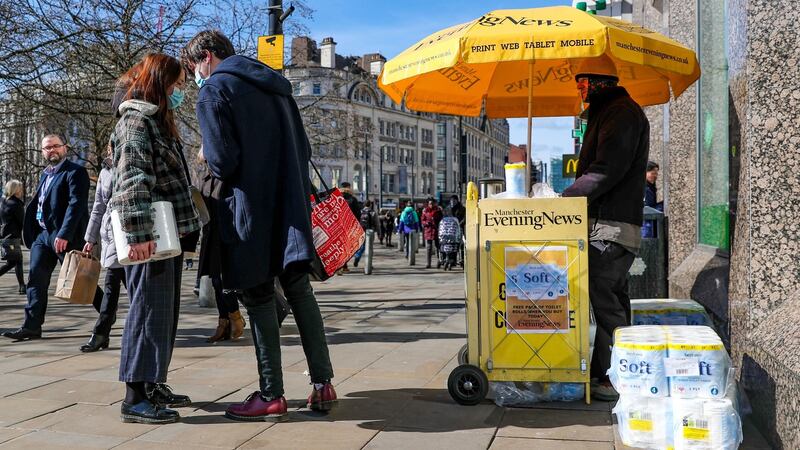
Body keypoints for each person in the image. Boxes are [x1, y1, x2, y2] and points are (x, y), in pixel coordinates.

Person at [182, 29, 335, 422]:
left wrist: (205, 152)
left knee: (259, 297)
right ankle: (323, 385)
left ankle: (272, 392)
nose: (195, 75)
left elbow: (223, 162)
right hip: (289, 207)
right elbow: (304, 148)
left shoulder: (215, 90)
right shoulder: (277, 87)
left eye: (193, 66)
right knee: (300, 291)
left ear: (207, 56)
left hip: (249, 211)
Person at [109, 53, 200, 424]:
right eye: (176, 84)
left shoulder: (156, 121)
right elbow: (132, 179)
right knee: (147, 312)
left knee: (162, 314)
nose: (180, 91)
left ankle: (152, 382)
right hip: (150, 233)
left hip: (167, 233)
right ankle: (134, 396)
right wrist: (138, 232)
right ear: (159, 82)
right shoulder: (135, 121)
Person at [562, 55, 650, 402]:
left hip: (609, 227)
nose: (579, 88)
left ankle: (619, 375)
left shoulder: (621, 113)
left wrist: (566, 197)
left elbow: (605, 169)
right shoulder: (611, 112)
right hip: (608, 224)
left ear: (600, 82)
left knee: (603, 297)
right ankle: (611, 372)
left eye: (583, 81)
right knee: (611, 297)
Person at [2, 135, 103, 341]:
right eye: (48, 148)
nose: (52, 150)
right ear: (42, 152)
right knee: (35, 281)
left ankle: (107, 317)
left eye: (56, 146)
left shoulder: (75, 172)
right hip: (42, 235)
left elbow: (76, 205)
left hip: (63, 235)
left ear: (65, 148)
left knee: (82, 279)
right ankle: (31, 326)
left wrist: (64, 234)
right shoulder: (45, 174)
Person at [79, 148, 127, 353]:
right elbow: (98, 206)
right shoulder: (105, 171)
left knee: (137, 290)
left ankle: (105, 332)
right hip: (111, 237)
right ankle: (101, 333)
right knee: (111, 286)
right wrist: (90, 238)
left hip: (132, 232)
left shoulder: (134, 161)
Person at [196, 149, 246, 343]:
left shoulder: (228, 175)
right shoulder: (204, 176)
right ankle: (224, 321)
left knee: (225, 282)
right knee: (216, 280)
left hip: (228, 235)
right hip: (212, 234)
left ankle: (234, 317)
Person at [0, 180, 26, 294]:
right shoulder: (16, 204)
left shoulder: (2, 201)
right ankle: (22, 286)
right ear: (16, 190)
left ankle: (22, 286)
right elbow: (22, 222)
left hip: (4, 235)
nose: (22, 191)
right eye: (20, 188)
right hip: (12, 236)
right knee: (14, 262)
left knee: (16, 261)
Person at [339, 182, 362, 273]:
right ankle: (344, 266)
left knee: (339, 246)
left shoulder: (337, 198)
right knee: (347, 247)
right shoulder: (353, 199)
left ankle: (339, 266)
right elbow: (358, 214)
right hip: (349, 227)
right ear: (349, 188)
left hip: (338, 226)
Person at [353, 200, 379, 268]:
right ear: (370, 205)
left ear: (364, 205)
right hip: (370, 231)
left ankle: (357, 256)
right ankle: (369, 263)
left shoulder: (360, 212)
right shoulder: (373, 212)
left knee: (362, 245)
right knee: (369, 247)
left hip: (361, 231)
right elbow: (377, 223)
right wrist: (379, 232)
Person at [642, 161, 663, 238]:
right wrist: (663, 206)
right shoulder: (644, 188)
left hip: (650, 226)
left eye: (656, 174)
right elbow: (647, 208)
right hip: (646, 228)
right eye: (653, 173)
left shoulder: (650, 187)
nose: (655, 176)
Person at [421, 198, 443, 268]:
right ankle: (428, 263)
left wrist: (437, 222)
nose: (431, 205)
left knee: (438, 247)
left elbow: (441, 219)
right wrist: (426, 223)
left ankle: (439, 261)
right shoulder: (425, 211)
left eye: (432, 203)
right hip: (428, 230)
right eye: (430, 203)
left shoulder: (438, 210)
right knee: (428, 247)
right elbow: (422, 220)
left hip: (436, 230)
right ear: (428, 204)